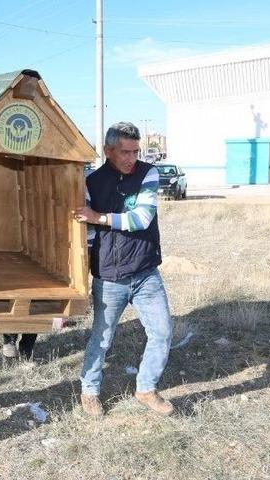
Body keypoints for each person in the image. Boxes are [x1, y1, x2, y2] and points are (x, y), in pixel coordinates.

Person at [73, 121, 174, 418]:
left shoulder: (148, 173)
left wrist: (98, 217)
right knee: (101, 338)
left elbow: (141, 218)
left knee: (163, 332)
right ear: (108, 151)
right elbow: (87, 234)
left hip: (145, 273)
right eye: (124, 152)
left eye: (135, 151)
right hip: (109, 277)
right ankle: (89, 391)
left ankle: (146, 388)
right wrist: (83, 276)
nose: (132, 158)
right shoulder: (91, 183)